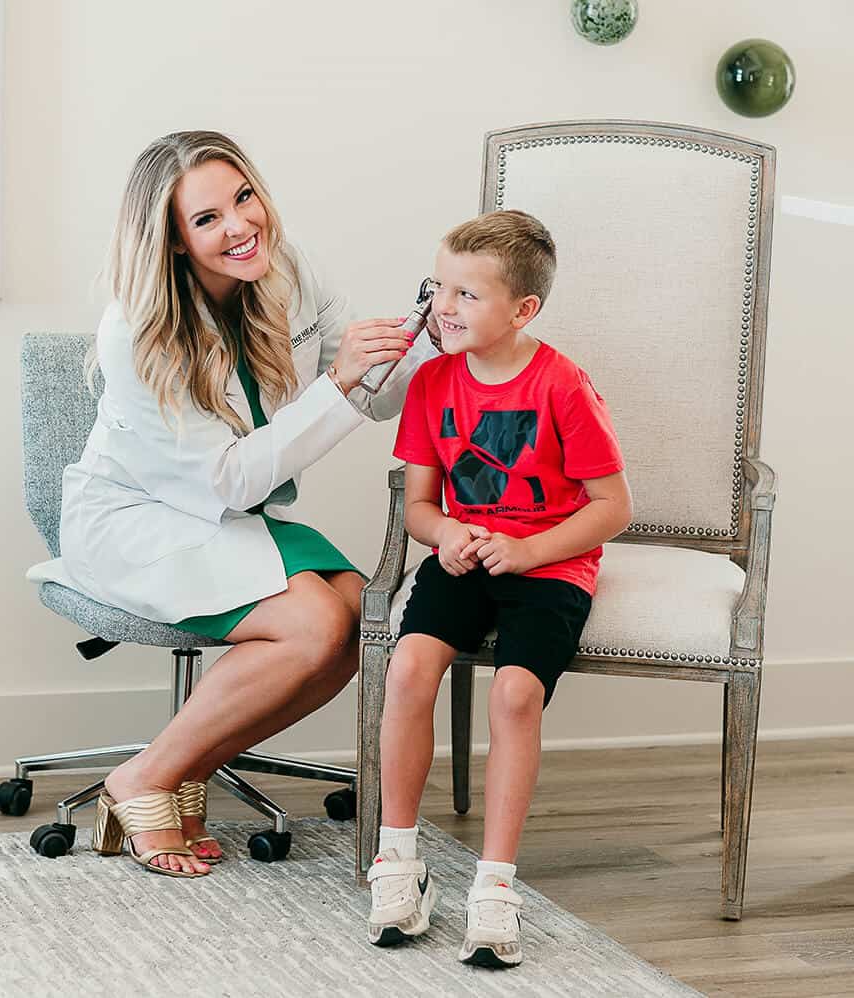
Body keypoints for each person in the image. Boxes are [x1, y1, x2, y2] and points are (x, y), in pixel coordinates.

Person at [27, 130, 436, 877]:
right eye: (207, 218)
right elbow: (231, 478)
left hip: (235, 516)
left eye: (244, 197)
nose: (241, 226)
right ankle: (144, 778)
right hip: (137, 519)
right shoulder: (136, 330)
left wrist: (429, 346)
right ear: (174, 241)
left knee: (360, 620)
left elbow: (375, 393)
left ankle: (180, 771)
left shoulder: (290, 267)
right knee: (314, 626)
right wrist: (337, 385)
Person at [366, 210, 633, 965]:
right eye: (439, 287)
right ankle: (397, 859)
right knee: (409, 668)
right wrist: (447, 534)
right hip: (466, 557)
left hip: (548, 562)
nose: (443, 308)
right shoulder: (432, 383)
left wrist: (527, 551)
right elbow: (420, 505)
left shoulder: (564, 386)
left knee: (515, 694)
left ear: (523, 310)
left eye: (467, 295)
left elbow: (613, 507)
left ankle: (495, 881)